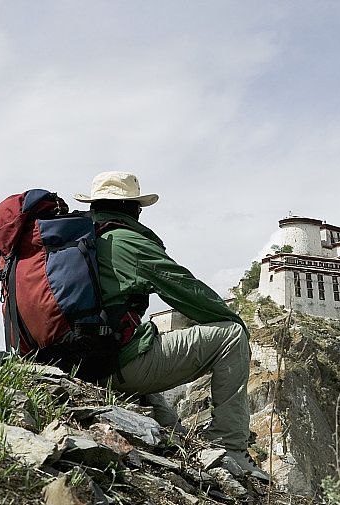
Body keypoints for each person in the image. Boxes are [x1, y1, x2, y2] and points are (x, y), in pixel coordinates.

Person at [73, 171, 268, 480]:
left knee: (163, 411)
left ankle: (185, 448)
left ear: (94, 204)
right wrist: (233, 318)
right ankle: (231, 448)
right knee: (230, 335)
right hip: (109, 365)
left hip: (70, 361)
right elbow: (184, 289)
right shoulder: (126, 241)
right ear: (133, 208)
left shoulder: (78, 240)